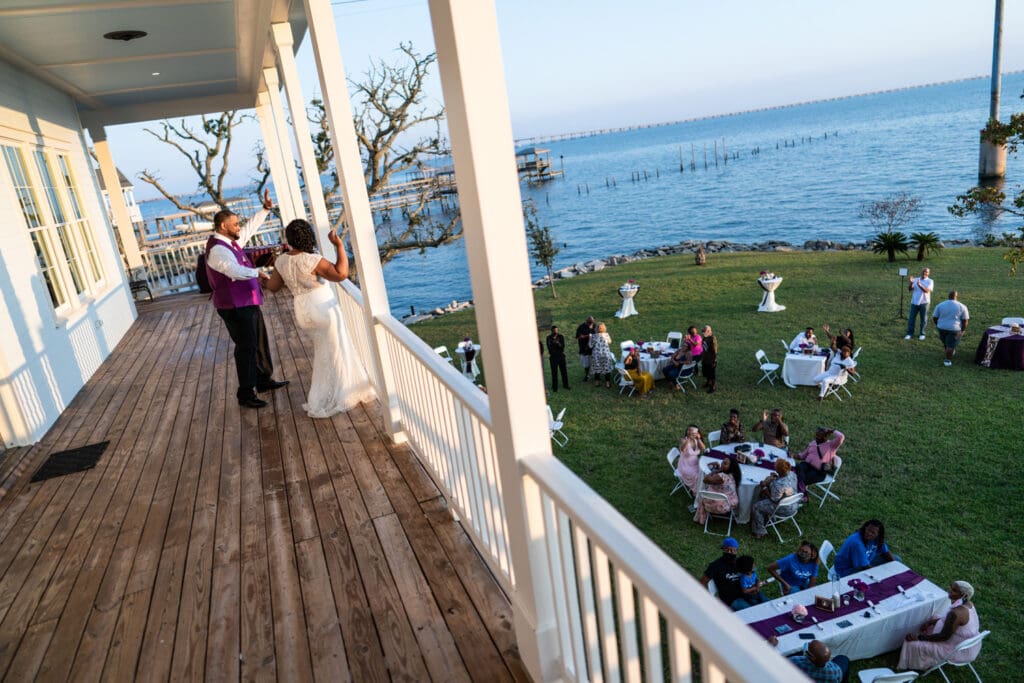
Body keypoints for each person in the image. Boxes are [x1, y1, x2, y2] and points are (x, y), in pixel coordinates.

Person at [264, 220, 374, 418]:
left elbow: (272, 287)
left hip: (302, 311)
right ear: (308, 236)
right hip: (321, 308)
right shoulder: (311, 259)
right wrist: (339, 246)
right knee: (336, 348)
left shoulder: (281, 261)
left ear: (289, 239)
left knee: (323, 351)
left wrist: (261, 277)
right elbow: (341, 274)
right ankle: (341, 394)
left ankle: (324, 394)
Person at [206, 189, 288, 409]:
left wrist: (265, 210)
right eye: (235, 224)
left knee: (259, 342)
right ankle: (245, 394)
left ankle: (263, 380)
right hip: (234, 307)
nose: (239, 227)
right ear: (223, 226)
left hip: (248, 302)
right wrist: (258, 273)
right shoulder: (217, 250)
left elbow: (250, 228)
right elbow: (232, 270)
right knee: (246, 347)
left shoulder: (230, 243)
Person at [898, 581, 982, 672]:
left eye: (954, 590)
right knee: (934, 617)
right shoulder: (969, 604)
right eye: (950, 587)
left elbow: (943, 637)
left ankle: (922, 665)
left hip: (957, 650)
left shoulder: (956, 613)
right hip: (970, 645)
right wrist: (932, 622)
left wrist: (918, 637)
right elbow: (948, 621)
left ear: (963, 595)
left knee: (910, 642)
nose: (949, 590)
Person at [750, 459, 798, 539]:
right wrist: (777, 477)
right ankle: (765, 519)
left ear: (779, 470)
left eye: (775, 466)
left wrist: (764, 487)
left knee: (756, 506)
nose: (774, 465)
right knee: (762, 496)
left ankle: (760, 531)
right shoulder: (792, 474)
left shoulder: (778, 484)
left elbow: (773, 499)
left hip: (784, 508)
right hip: (793, 504)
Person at [771, 639, 850, 683]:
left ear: (811, 657)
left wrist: (770, 645)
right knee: (843, 658)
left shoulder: (794, 661)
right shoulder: (835, 672)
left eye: (808, 646)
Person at [700, 537, 747, 611]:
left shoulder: (740, 563)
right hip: (731, 601)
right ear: (723, 549)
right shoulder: (716, 565)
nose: (730, 552)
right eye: (728, 550)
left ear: (736, 551)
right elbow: (702, 582)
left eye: (733, 550)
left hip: (746, 595)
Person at [694, 457, 739, 525]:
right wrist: (720, 469)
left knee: (704, 495)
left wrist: (716, 471)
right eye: (722, 462)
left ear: (731, 467)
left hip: (721, 506)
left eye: (725, 463)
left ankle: (701, 518)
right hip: (731, 500)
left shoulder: (721, 477)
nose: (722, 464)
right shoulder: (734, 474)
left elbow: (705, 479)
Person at [932, 290, 969, 367]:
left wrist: (938, 324)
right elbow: (965, 320)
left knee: (946, 342)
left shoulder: (940, 305)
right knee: (951, 345)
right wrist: (963, 330)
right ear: (956, 297)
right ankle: (948, 360)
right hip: (954, 329)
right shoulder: (962, 306)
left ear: (948, 296)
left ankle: (949, 351)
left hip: (941, 327)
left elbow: (935, 317)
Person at [676, 424, 705, 497]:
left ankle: (703, 489)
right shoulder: (683, 440)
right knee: (697, 476)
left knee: (704, 472)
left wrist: (699, 439)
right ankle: (697, 493)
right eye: (689, 430)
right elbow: (683, 449)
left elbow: (703, 448)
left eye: (693, 431)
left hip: (695, 463)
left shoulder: (696, 440)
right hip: (685, 466)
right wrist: (688, 439)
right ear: (687, 432)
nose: (690, 432)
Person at [905, 267, 934, 340]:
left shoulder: (930, 281)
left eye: (926, 272)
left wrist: (920, 285)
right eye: (923, 271)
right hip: (914, 302)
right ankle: (909, 333)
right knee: (911, 318)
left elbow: (927, 291)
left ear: (928, 273)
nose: (924, 273)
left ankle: (922, 334)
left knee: (923, 319)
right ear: (921, 272)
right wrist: (911, 283)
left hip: (924, 303)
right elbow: (909, 289)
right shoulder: (915, 279)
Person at [589, 322, 614, 387]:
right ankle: (605, 383)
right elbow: (609, 342)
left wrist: (590, 338)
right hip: (603, 354)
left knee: (599, 367)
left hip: (599, 354)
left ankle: (599, 382)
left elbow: (590, 346)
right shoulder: (605, 335)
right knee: (604, 367)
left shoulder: (594, 336)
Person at [545, 325, 570, 392]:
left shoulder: (560, 336)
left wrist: (558, 343)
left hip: (561, 356)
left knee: (564, 372)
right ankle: (554, 387)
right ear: (552, 331)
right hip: (553, 357)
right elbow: (549, 348)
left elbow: (562, 347)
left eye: (556, 330)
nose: (555, 331)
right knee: (554, 372)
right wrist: (555, 345)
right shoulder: (548, 338)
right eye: (554, 330)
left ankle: (566, 385)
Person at [575, 316, 596, 382]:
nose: (590, 324)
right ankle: (587, 375)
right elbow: (578, 337)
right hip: (584, 349)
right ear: (586, 321)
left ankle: (596, 375)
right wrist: (587, 336)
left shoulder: (595, 326)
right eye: (589, 322)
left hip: (594, 349)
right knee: (586, 364)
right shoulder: (581, 327)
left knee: (594, 362)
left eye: (591, 322)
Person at [701, 325, 718, 393]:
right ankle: (708, 382)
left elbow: (714, 351)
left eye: (704, 332)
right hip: (705, 358)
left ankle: (712, 386)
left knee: (711, 373)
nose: (703, 333)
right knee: (706, 372)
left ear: (708, 331)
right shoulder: (705, 337)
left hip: (710, 360)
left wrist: (714, 360)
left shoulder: (712, 339)